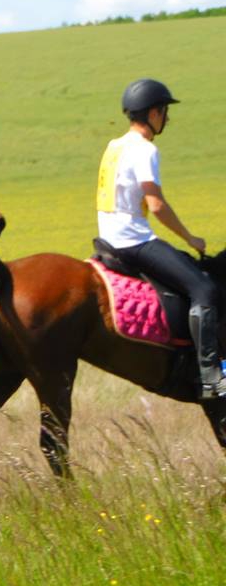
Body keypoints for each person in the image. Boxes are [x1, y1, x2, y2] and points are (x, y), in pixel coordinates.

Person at [96, 78, 225, 399]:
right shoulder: (145, 149)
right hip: (133, 241)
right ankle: (211, 376)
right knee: (205, 289)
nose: (167, 118)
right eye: (164, 111)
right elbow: (155, 204)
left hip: (108, 237)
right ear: (153, 113)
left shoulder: (114, 146)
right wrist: (190, 238)